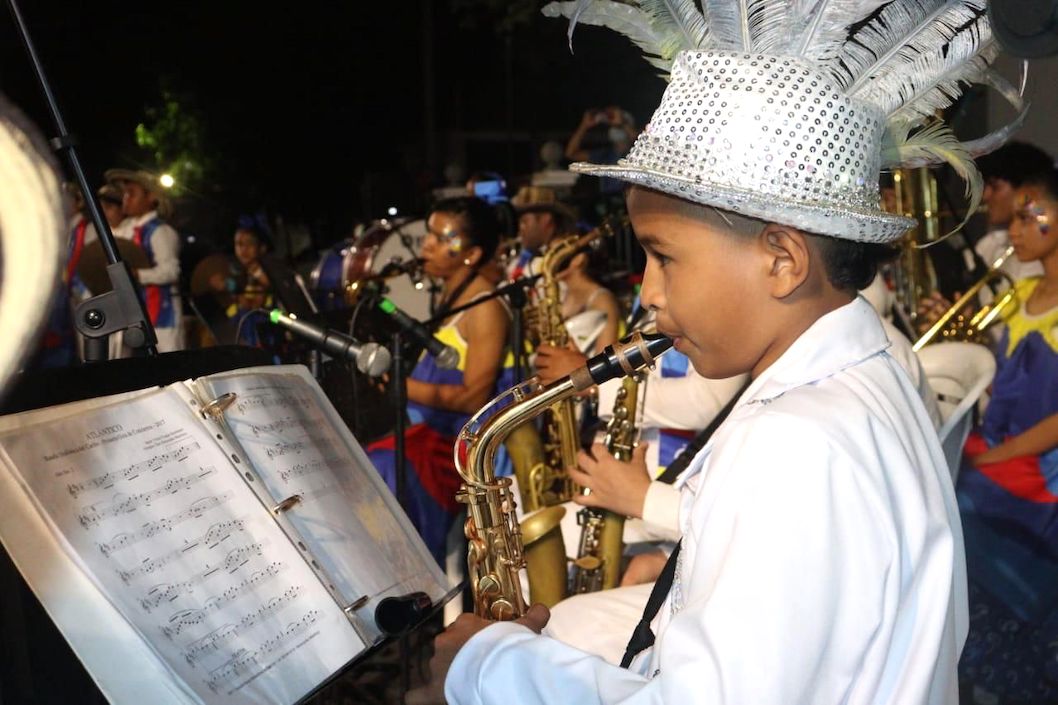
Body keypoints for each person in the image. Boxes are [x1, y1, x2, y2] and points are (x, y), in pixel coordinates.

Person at [408, 3, 985, 699]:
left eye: (662, 256)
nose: (646, 292)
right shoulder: (861, 378)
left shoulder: (796, 444)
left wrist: (486, 665)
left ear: (781, 259)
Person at [954, 168, 1058, 703]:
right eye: (1015, 215)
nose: (1016, 228)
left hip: (1040, 466)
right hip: (1001, 448)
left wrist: (998, 457)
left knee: (960, 507)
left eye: (1029, 213)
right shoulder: (1021, 290)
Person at [367, 196, 509, 566]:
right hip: (435, 436)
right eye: (428, 234)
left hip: (465, 451)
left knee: (384, 468)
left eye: (440, 237)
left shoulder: (484, 307)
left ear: (472, 254)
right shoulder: (452, 295)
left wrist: (403, 385)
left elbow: (472, 398)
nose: (426, 245)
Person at [105, 169, 183, 354]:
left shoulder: (160, 231)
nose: (125, 198)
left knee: (171, 369)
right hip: (132, 313)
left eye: (131, 193)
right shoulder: (126, 230)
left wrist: (137, 274)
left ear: (151, 197)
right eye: (124, 194)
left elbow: (171, 271)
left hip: (162, 314)